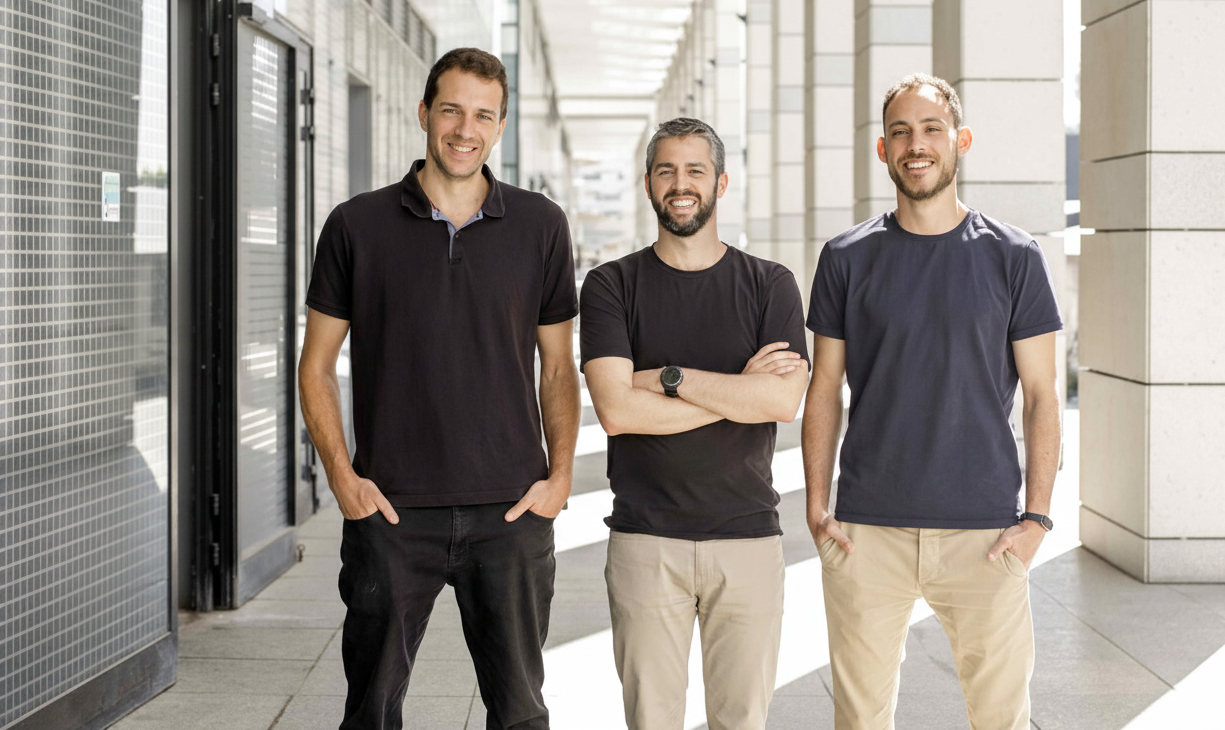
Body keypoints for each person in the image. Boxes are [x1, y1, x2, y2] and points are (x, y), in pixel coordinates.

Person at [298, 47, 580, 730]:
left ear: (500, 127)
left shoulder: (542, 226)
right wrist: (343, 476)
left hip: (510, 512)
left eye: (483, 115)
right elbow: (315, 366)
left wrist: (561, 476)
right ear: (425, 113)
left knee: (519, 713)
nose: (465, 128)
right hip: (391, 512)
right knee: (370, 711)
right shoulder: (355, 226)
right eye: (451, 109)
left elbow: (558, 368)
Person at [802, 74, 1063, 730]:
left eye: (930, 130)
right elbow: (824, 386)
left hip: (986, 531)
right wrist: (814, 504)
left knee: (1000, 718)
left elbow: (1040, 396)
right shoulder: (844, 258)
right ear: (882, 151)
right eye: (900, 132)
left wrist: (1036, 518)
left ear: (960, 141)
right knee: (859, 720)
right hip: (867, 531)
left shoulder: (1015, 256)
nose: (915, 144)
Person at [580, 117, 810, 730]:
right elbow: (616, 410)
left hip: (748, 541)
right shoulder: (610, 286)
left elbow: (783, 403)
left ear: (721, 182)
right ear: (649, 185)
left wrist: (668, 376)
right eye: (666, 171)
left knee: (742, 723)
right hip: (645, 541)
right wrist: (741, 388)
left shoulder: (770, 285)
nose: (680, 184)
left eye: (694, 171)